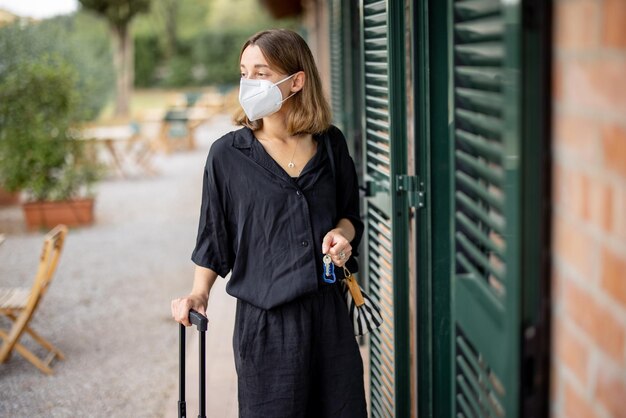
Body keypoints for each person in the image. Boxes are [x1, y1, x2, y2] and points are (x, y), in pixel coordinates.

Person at [171, 29, 367, 418]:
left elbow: (350, 215)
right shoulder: (226, 156)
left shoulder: (331, 144)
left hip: (330, 322)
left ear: (296, 80)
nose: (249, 84)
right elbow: (214, 237)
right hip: (266, 329)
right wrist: (198, 293)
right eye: (245, 73)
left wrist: (342, 237)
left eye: (261, 73)